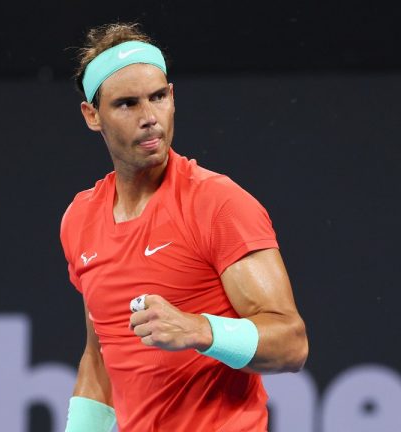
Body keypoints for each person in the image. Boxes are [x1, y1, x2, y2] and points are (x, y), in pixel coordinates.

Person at [60, 22, 308, 432]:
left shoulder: (219, 203)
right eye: (126, 104)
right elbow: (100, 357)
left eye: (158, 97)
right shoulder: (79, 219)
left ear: (172, 98)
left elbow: (291, 344)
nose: (149, 118)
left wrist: (199, 329)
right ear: (92, 115)